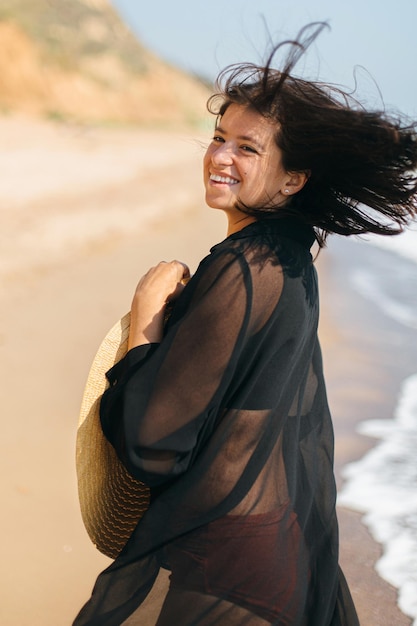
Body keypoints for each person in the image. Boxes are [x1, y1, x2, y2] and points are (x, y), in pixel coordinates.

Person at [74, 23, 417, 626]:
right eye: (217, 137)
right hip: (267, 545)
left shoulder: (245, 266)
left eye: (248, 148)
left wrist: (147, 312)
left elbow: (153, 443)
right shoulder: (286, 253)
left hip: (228, 562)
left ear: (293, 178)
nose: (220, 157)